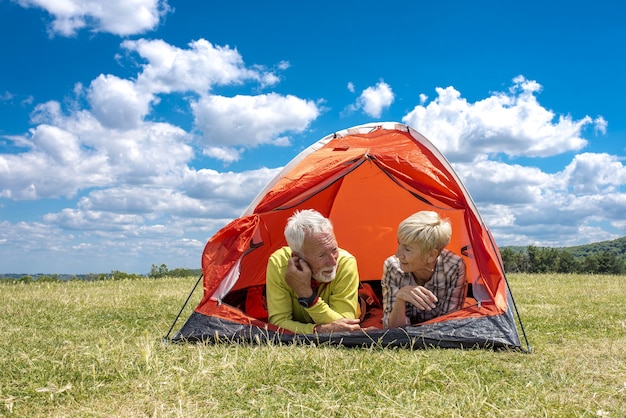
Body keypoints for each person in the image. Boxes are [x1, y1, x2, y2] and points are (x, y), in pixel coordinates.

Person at [266, 209, 362, 334]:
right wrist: (318, 330)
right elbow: (278, 323)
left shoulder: (346, 263)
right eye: (321, 255)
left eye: (334, 250)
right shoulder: (278, 264)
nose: (333, 262)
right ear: (297, 257)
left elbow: (345, 325)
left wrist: (308, 296)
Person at [381, 211, 467, 328]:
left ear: (431, 255)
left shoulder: (453, 268)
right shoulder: (393, 267)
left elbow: (448, 325)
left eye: (407, 249)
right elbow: (392, 329)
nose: (397, 254)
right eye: (399, 244)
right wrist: (400, 299)